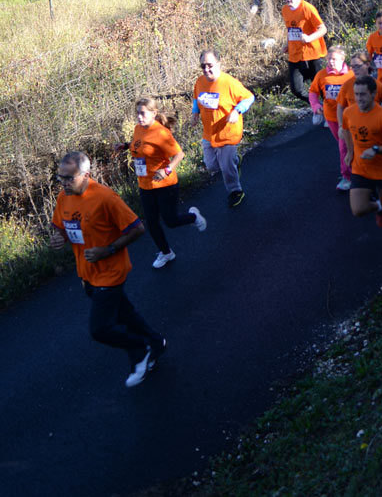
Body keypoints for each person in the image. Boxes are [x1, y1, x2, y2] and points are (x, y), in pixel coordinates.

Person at [50, 151, 166, 388]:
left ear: (86, 175)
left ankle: (140, 350)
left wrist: (108, 249)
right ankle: (156, 342)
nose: (64, 183)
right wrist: (59, 238)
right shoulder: (64, 197)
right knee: (125, 314)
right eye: (60, 177)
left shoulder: (105, 198)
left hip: (111, 272)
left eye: (69, 178)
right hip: (87, 274)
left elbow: (137, 228)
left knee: (100, 328)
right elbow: (63, 228)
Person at [117, 99, 207, 269]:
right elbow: (139, 145)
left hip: (165, 184)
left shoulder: (161, 133)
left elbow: (179, 154)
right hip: (145, 185)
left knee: (170, 221)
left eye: (142, 113)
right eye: (137, 113)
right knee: (151, 222)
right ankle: (166, 252)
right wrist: (126, 146)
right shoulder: (138, 128)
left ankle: (193, 217)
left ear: (154, 113)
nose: (139, 117)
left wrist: (167, 169)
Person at [341, 76, 382, 250]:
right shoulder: (349, 112)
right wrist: (350, 152)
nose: (359, 98)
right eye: (356, 94)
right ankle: (378, 207)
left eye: (363, 94)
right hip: (361, 169)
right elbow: (346, 130)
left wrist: (376, 149)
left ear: (373, 94)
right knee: (358, 209)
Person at [192, 50, 255, 207]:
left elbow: (249, 97)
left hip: (227, 132)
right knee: (212, 165)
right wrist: (195, 113)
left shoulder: (229, 83)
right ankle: (235, 160)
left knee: (226, 167)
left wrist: (237, 110)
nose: (206, 69)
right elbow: (196, 97)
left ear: (219, 64)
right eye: (203, 66)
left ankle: (236, 191)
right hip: (209, 132)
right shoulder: (200, 81)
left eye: (210, 65)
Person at [309, 46, 354, 190]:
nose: (331, 62)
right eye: (329, 59)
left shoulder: (352, 74)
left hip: (350, 118)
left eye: (334, 59)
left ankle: (347, 177)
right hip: (331, 118)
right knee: (344, 145)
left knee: (344, 147)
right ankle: (353, 168)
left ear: (342, 59)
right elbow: (313, 92)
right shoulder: (322, 75)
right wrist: (316, 106)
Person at [281, 0, 328, 109]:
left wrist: (309, 38)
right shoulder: (285, 10)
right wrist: (287, 44)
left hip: (312, 54)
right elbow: (291, 29)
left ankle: (330, 111)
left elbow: (323, 29)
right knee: (296, 89)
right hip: (295, 54)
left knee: (320, 87)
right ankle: (317, 106)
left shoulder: (308, 8)